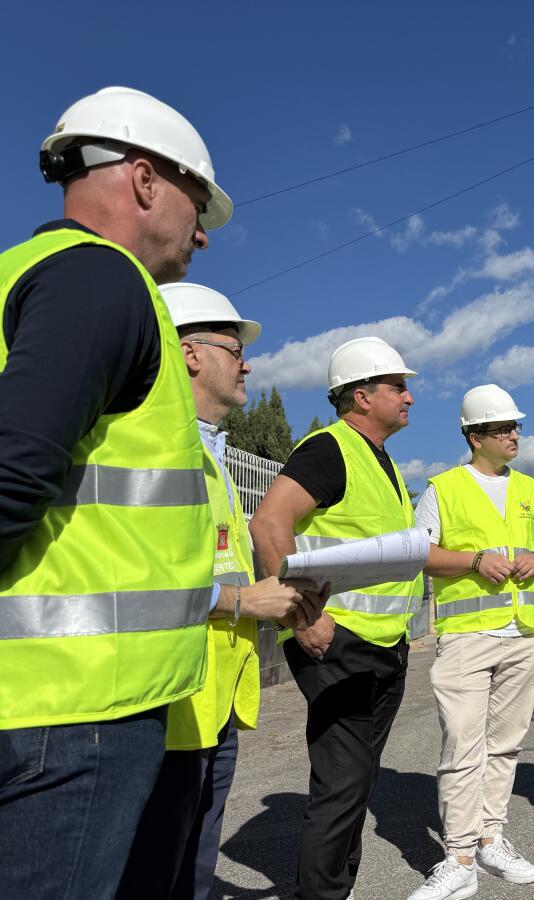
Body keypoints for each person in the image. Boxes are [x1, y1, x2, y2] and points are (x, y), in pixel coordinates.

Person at [0, 86, 232, 898]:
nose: (202, 232)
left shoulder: (18, 276)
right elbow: (12, 472)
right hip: (70, 714)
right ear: (143, 180)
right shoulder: (101, 280)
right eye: (197, 202)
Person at [117, 283, 315, 899]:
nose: (247, 362)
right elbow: (132, 570)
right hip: (167, 699)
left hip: (212, 698)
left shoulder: (213, 455)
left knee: (193, 864)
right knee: (157, 870)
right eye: (234, 348)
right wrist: (242, 601)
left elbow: (219, 560)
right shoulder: (154, 446)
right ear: (189, 353)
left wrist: (272, 592)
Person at [250, 337, 426, 900]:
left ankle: (334, 889)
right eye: (397, 387)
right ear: (361, 395)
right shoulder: (330, 449)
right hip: (336, 644)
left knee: (356, 783)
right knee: (343, 784)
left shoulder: (380, 459)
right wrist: (304, 617)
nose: (409, 397)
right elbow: (267, 524)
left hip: (382, 646)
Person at [405, 384, 534, 900]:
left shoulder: (530, 488)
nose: (515, 435)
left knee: (506, 744)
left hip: (523, 635)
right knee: (461, 744)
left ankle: (492, 837)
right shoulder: (443, 488)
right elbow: (420, 554)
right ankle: (459, 855)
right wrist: (475, 561)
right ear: (475, 436)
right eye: (502, 428)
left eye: (515, 427)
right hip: (467, 637)